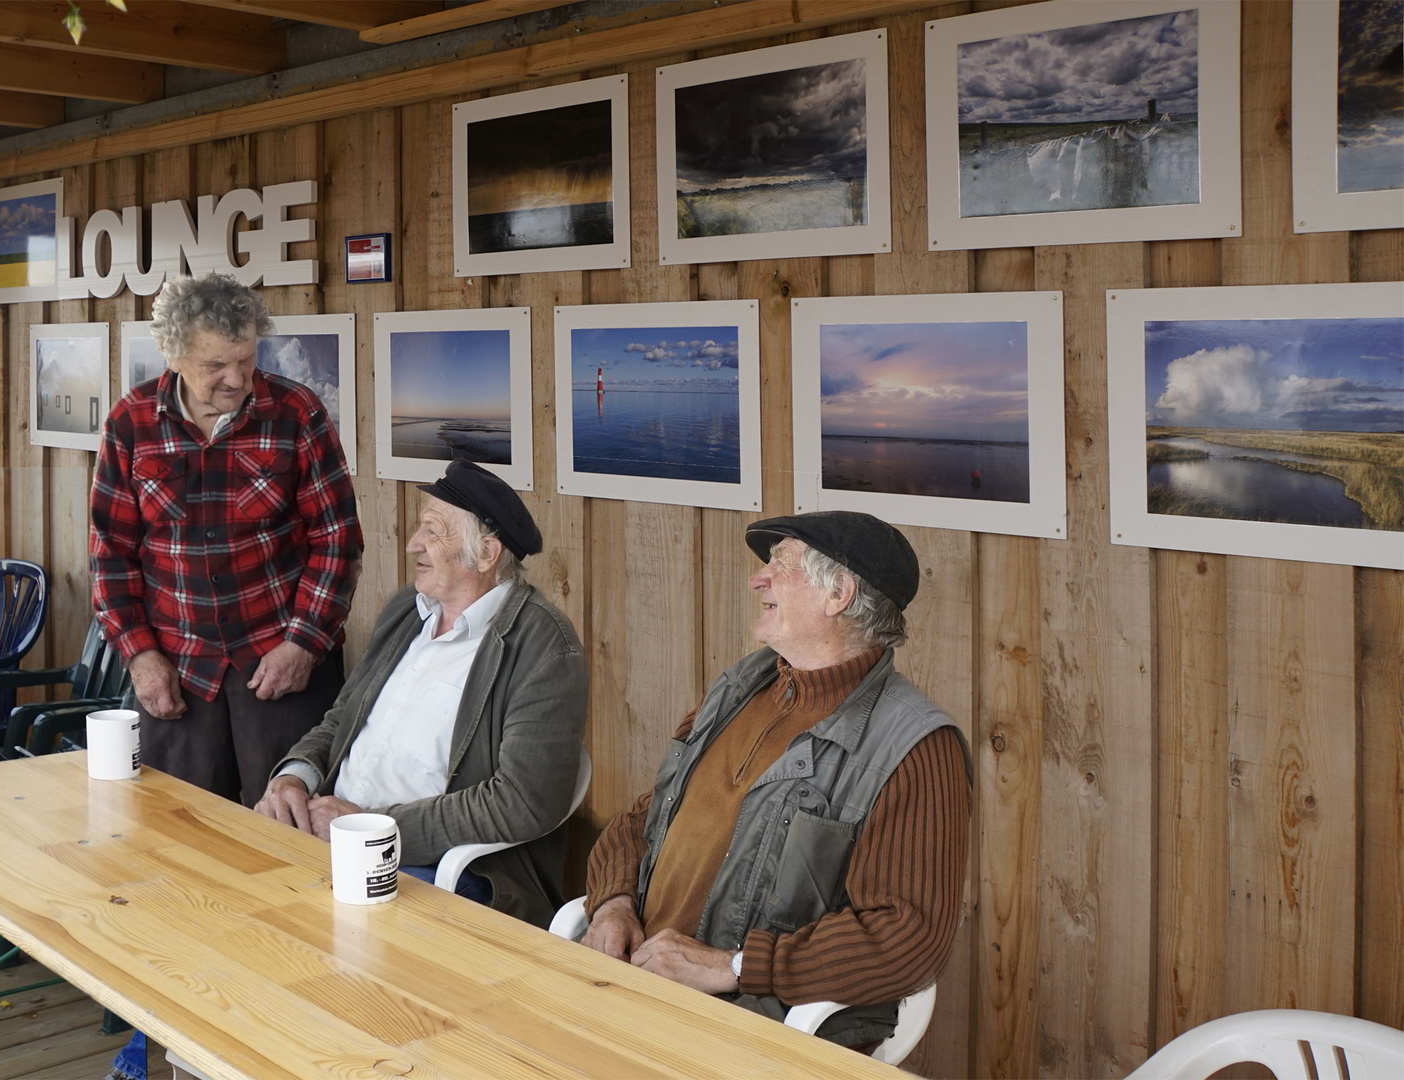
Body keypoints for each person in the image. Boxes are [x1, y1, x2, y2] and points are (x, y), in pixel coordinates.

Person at [578, 511, 972, 1052]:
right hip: (629, 978)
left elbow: (905, 938)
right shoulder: (741, 688)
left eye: (779, 566)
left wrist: (733, 966)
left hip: (747, 1024)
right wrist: (614, 903)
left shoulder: (916, 748)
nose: (756, 579)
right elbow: (647, 817)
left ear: (838, 595)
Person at [255, 459, 589, 928]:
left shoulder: (544, 645)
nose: (414, 544)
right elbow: (342, 718)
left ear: (487, 553)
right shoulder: (408, 611)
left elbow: (522, 802)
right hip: (330, 831)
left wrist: (374, 832)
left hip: (441, 868)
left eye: (432, 531)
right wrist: (294, 779)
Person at [90, 273, 361, 808]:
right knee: (180, 833)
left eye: (245, 358)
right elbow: (111, 556)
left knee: (293, 837)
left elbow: (337, 540)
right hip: (177, 667)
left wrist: (304, 644)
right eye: (215, 366)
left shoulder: (297, 413)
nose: (236, 378)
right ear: (173, 356)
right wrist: (139, 655)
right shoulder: (132, 422)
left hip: (283, 662)